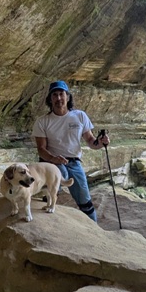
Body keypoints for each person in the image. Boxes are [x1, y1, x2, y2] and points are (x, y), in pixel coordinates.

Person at [32, 80, 110, 222]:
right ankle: (47, 205)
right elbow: (41, 149)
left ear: (68, 96)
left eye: (61, 94)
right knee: (60, 175)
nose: (59, 98)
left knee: (84, 199)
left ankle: (94, 228)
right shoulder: (43, 121)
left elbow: (91, 141)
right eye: (54, 95)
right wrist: (53, 159)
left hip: (74, 162)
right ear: (50, 99)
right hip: (50, 162)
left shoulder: (80, 116)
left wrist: (101, 143)